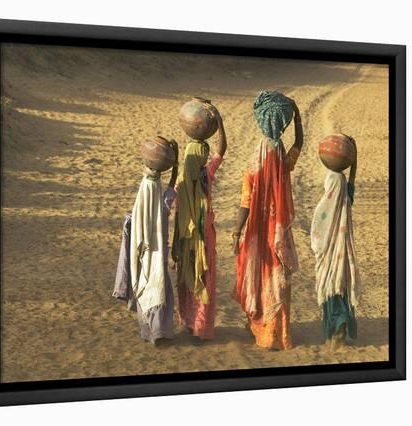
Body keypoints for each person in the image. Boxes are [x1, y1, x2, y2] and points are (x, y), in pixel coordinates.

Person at [232, 91, 302, 350]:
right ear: (282, 124)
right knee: (279, 280)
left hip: (258, 233)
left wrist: (237, 230)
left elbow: (245, 201)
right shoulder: (283, 158)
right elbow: (298, 146)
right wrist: (298, 119)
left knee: (260, 277)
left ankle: (261, 329)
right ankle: (279, 334)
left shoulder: (255, 161)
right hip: (279, 232)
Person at [113, 139, 179, 346]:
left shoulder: (146, 188)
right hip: (157, 249)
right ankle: (158, 331)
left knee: (147, 284)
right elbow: (169, 195)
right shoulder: (157, 194)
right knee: (158, 286)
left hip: (146, 250)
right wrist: (176, 166)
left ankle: (149, 330)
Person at [172, 106, 226, 341]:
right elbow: (221, 150)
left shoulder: (180, 183)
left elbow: (176, 213)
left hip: (185, 238)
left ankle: (187, 322)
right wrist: (220, 123)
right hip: (205, 236)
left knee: (187, 277)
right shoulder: (207, 176)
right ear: (203, 158)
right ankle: (200, 328)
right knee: (204, 278)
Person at [311, 138, 360, 350]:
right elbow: (351, 182)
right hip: (342, 252)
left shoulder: (326, 203)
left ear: (329, 186)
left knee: (330, 288)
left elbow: (317, 231)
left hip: (330, 254)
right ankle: (341, 327)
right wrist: (354, 159)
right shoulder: (346, 197)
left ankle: (336, 328)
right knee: (341, 287)